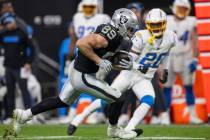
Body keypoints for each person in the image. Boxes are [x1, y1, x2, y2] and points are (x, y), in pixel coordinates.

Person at [9, 8, 139, 138]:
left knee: (61, 101)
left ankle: (24, 115)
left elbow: (102, 53)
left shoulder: (112, 34)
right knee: (117, 98)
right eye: (129, 28)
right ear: (121, 24)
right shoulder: (111, 36)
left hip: (78, 69)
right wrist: (100, 61)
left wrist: (114, 62)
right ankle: (113, 130)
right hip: (83, 75)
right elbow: (81, 43)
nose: (130, 32)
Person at [107, 8, 178, 139]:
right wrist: (137, 65)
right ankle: (81, 117)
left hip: (145, 73)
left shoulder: (170, 36)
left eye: (158, 24)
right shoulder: (140, 35)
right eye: (153, 24)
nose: (156, 28)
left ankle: (134, 125)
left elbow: (165, 52)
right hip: (129, 70)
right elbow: (127, 57)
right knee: (112, 95)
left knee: (149, 97)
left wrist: (164, 68)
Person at [163, 0, 202, 124]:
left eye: (184, 9)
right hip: (169, 56)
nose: (182, 11)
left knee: (189, 86)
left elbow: (195, 40)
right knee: (167, 88)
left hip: (186, 56)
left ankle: (192, 115)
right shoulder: (166, 19)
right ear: (174, 8)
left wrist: (195, 58)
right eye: (180, 8)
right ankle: (165, 116)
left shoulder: (191, 21)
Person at [0, 0, 34, 122]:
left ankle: (29, 116)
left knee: (24, 91)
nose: (10, 24)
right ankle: (10, 116)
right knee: (10, 93)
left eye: (11, 22)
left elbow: (32, 48)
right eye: (7, 23)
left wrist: (29, 62)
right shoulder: (3, 34)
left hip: (21, 67)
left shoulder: (22, 33)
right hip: (8, 67)